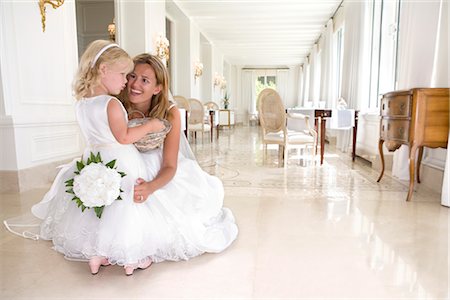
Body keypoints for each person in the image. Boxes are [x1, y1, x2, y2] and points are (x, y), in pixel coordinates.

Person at [25, 40, 166, 276]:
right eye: (122, 74)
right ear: (103, 70)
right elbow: (124, 136)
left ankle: (97, 254)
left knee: (100, 207)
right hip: (119, 159)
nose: (125, 82)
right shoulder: (110, 103)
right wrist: (151, 124)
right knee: (125, 206)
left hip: (94, 158)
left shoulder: (82, 103)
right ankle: (132, 257)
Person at [118, 53, 238, 263]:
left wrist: (151, 187)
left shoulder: (170, 113)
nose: (134, 84)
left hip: (160, 169)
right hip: (125, 163)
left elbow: (170, 164)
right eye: (132, 76)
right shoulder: (117, 106)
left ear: (158, 88)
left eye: (145, 80)